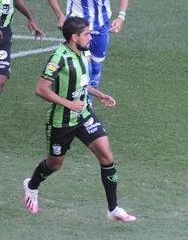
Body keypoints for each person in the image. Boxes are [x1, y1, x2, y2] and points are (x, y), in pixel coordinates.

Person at [22, 16, 135, 222]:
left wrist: (99, 94)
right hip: (62, 121)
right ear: (74, 37)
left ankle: (113, 208)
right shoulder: (59, 58)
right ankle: (31, 186)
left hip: (83, 115)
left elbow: (81, 84)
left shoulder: (83, 53)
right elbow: (41, 89)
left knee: (106, 155)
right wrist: (69, 104)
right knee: (55, 164)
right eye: (86, 34)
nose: (90, 37)